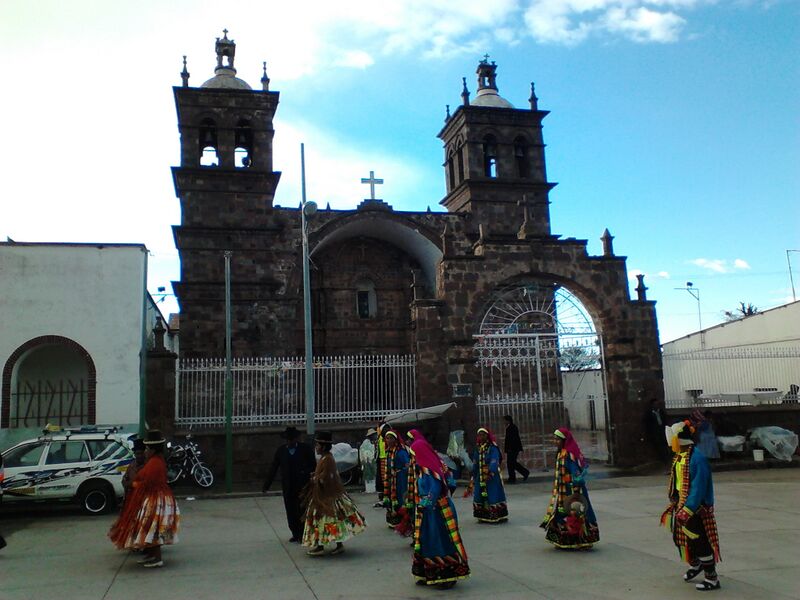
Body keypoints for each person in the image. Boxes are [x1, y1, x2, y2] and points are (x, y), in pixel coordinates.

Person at [661, 420, 722, 591]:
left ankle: (712, 578)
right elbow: (677, 481)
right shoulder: (680, 455)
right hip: (681, 502)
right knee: (679, 538)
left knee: (699, 541)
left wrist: (688, 509)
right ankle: (696, 565)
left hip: (695, 507)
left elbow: (698, 487)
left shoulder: (697, 459)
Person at [108, 430, 180, 568]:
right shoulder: (154, 461)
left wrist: (133, 484)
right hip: (153, 497)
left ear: (152, 449)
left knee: (153, 527)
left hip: (156, 498)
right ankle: (151, 554)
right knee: (148, 526)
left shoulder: (155, 463)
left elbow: (147, 481)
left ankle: (157, 557)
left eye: (147, 448)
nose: (145, 451)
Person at [409, 430, 470, 589]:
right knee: (425, 541)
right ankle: (426, 572)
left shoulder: (429, 470)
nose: (412, 457)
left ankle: (446, 574)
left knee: (438, 541)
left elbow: (435, 489)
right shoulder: (425, 467)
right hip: (428, 511)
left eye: (414, 454)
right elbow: (451, 483)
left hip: (437, 511)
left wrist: (426, 503)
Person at [302, 431, 367, 556]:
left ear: (323, 446)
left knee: (326, 521)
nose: (316, 448)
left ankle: (326, 545)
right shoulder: (325, 458)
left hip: (327, 497)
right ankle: (324, 545)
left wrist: (316, 478)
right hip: (322, 495)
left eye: (317, 445)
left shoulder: (328, 459)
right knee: (323, 522)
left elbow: (327, 476)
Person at [540, 427, 599, 549]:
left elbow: (575, 471)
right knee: (562, 511)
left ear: (564, 440)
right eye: (555, 439)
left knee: (577, 512)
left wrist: (575, 485)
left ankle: (581, 539)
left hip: (572, 489)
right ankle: (563, 538)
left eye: (558, 439)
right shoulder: (562, 452)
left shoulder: (569, 453)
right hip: (563, 489)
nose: (555, 441)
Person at [262, 425, 317, 543]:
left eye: (291, 439)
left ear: (297, 439)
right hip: (288, 486)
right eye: (287, 439)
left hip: (302, 486)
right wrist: (266, 485)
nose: (289, 442)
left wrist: (306, 474)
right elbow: (274, 468)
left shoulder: (305, 449)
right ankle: (295, 533)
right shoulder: (281, 451)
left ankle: (303, 533)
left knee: (302, 510)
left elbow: (313, 465)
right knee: (290, 510)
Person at [469, 427, 508, 523]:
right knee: (479, 494)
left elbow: (494, 460)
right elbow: (475, 462)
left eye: (483, 434)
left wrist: (490, 471)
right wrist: (473, 474)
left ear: (487, 435)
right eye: (479, 435)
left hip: (491, 476)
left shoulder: (492, 447)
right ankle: (482, 515)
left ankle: (496, 515)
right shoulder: (477, 447)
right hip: (480, 475)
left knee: (493, 493)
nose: (481, 436)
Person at [383, 429, 410, 527]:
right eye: (387, 438)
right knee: (390, 497)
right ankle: (393, 518)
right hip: (391, 479)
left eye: (391, 438)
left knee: (401, 497)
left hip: (400, 479)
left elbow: (408, 465)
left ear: (395, 440)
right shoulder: (388, 452)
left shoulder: (401, 452)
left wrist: (400, 472)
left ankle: (403, 519)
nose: (388, 440)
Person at [643, 398, 671, 464]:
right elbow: (647, 424)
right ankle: (662, 459)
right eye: (655, 404)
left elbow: (665, 420)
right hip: (655, 431)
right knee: (659, 445)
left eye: (657, 404)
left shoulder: (661, 411)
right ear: (652, 405)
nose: (657, 405)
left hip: (662, 429)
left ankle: (666, 458)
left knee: (665, 444)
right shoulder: (649, 413)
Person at [121, 438, 146, 510]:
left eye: (141, 453)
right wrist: (126, 483)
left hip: (144, 499)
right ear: (134, 454)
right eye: (137, 453)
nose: (139, 456)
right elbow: (124, 480)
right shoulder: (131, 465)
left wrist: (133, 484)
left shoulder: (148, 465)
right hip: (132, 499)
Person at [503, 415, 529, 484]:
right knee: (512, 463)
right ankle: (519, 475)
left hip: (513, 449)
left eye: (505, 420)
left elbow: (513, 439)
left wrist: (510, 449)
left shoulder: (512, 428)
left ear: (508, 420)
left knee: (511, 463)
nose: (504, 422)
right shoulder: (510, 427)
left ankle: (513, 477)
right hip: (512, 449)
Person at [359, 428, 379, 494]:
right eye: (373, 435)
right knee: (369, 475)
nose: (375, 436)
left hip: (371, 461)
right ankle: (369, 489)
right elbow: (364, 453)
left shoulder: (373, 442)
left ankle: (372, 489)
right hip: (367, 462)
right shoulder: (366, 443)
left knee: (373, 475)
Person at [374, 421, 388, 508]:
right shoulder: (379, 437)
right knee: (381, 480)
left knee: (384, 479)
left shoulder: (384, 431)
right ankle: (383, 499)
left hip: (384, 458)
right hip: (380, 458)